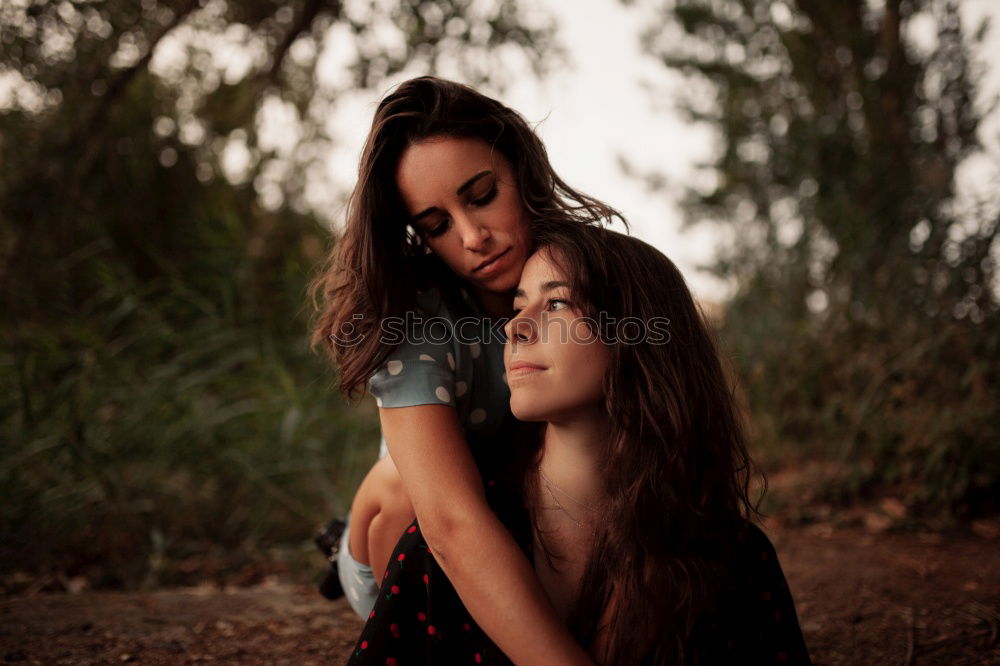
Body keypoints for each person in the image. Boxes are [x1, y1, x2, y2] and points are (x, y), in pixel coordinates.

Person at [348, 221, 813, 665]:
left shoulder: (733, 557)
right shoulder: (439, 548)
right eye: (516, 308)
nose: (514, 327)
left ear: (636, 334)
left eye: (556, 305)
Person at [309, 76, 621, 665]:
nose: (473, 237)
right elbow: (450, 524)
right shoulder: (416, 316)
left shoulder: (592, 273)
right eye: (436, 226)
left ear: (521, 170)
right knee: (402, 486)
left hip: (547, 520)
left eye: (480, 195)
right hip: (419, 549)